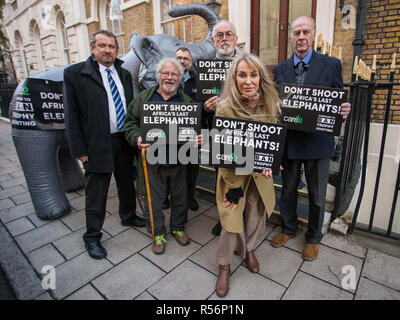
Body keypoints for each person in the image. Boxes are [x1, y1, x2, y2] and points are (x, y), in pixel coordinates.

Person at [272, 16, 351, 261]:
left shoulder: (331, 65)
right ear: (291, 37)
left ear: (313, 34)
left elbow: (338, 99)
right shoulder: (280, 69)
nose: (301, 37)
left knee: (317, 195)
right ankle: (288, 227)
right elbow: (276, 100)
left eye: (306, 31)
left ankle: (314, 237)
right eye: (297, 32)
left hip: (318, 142)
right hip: (292, 141)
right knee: (288, 190)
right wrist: (275, 105)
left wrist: (344, 110)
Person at [63, 30, 145, 260]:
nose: (107, 50)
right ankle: (92, 237)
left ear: (116, 50)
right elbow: (71, 116)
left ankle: (128, 216)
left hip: (123, 139)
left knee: (126, 183)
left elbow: (130, 108)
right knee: (96, 193)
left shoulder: (124, 73)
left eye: (111, 46)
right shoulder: (75, 74)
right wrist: (78, 149)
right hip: (96, 144)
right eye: (102, 46)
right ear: (93, 48)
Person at [214, 53, 279, 297]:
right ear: (235, 78)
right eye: (242, 75)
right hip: (235, 174)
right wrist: (233, 185)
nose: (248, 80)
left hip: (259, 174)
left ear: (260, 77)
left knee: (255, 215)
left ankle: (248, 249)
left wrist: (272, 162)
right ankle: (224, 265)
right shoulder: (225, 107)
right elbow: (224, 152)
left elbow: (271, 141)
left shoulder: (269, 103)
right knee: (231, 220)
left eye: (253, 74)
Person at [124, 58, 201, 255]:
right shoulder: (144, 99)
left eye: (174, 74)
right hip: (152, 160)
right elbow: (130, 123)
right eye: (165, 73)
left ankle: (177, 227)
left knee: (180, 198)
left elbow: (196, 131)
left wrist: (198, 139)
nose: (169, 77)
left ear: (180, 78)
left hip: (180, 160)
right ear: (159, 77)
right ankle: (158, 233)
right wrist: (137, 137)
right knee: (154, 200)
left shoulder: (187, 103)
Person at [203, 20, 240, 236]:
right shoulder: (205, 67)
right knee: (222, 177)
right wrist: (205, 107)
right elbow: (199, 101)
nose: (224, 38)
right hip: (218, 134)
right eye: (220, 35)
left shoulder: (248, 64)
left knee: (243, 175)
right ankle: (224, 217)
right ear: (213, 40)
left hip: (245, 132)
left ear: (235, 38)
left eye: (228, 34)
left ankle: (241, 216)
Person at [175, 47, 200, 211]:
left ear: (190, 62)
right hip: (170, 133)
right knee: (171, 167)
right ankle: (168, 197)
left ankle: (190, 197)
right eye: (179, 57)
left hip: (192, 134)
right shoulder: (168, 78)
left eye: (186, 58)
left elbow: (202, 104)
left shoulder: (199, 81)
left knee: (191, 169)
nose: (182, 60)